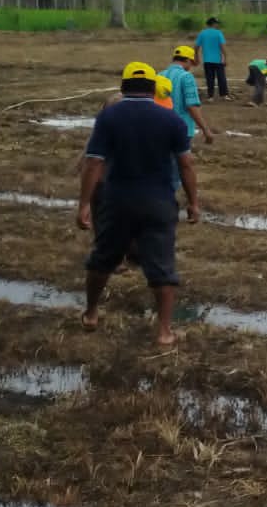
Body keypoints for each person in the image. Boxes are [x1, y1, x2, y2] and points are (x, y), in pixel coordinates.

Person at [78, 61, 200, 347]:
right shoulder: (172, 120)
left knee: (102, 259)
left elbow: (94, 162)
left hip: (116, 199)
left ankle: (92, 313)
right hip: (158, 201)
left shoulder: (108, 117)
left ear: (123, 86)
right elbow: (186, 165)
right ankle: (163, 331)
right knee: (162, 267)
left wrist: (84, 203)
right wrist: (194, 202)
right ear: (153, 88)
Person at [161, 46, 216, 145]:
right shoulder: (186, 76)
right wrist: (205, 129)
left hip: (161, 127)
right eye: (191, 62)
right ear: (187, 60)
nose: (191, 66)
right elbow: (191, 106)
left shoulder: (160, 75)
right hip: (181, 128)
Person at [194, 17, 230, 101]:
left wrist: (197, 56)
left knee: (209, 78)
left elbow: (196, 47)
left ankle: (210, 96)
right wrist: (225, 58)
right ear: (213, 24)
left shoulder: (202, 33)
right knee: (221, 78)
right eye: (216, 23)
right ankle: (224, 95)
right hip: (218, 60)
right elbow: (222, 46)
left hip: (207, 60)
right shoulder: (218, 33)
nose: (217, 25)